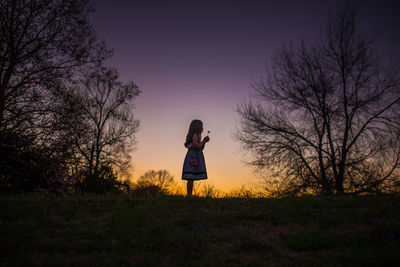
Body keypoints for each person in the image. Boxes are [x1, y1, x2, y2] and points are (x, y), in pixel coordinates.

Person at [182, 119, 210, 196]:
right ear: (197, 127)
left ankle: (189, 195)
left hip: (195, 158)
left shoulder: (196, 136)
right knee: (190, 177)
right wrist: (204, 141)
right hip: (192, 158)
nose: (202, 128)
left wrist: (204, 142)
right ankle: (189, 195)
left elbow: (200, 148)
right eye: (201, 127)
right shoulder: (194, 135)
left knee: (191, 178)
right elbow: (197, 146)